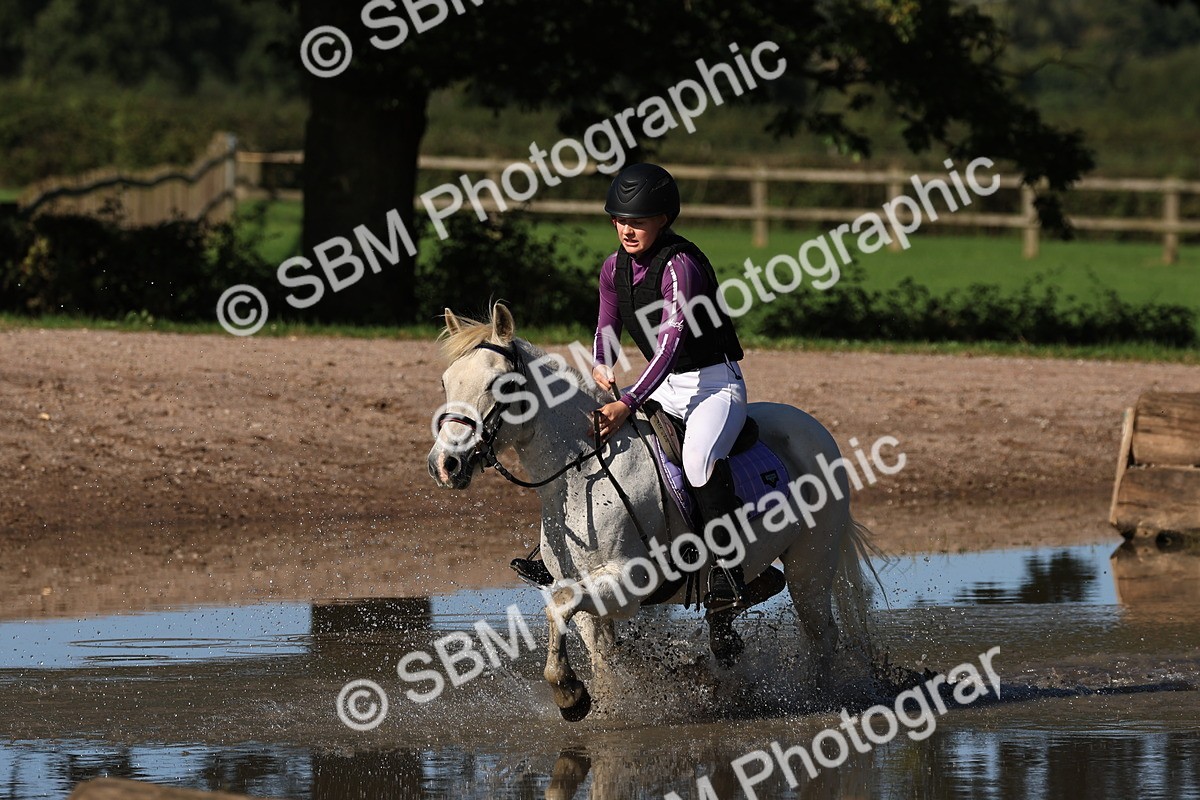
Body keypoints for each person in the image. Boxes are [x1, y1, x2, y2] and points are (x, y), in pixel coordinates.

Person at [590, 162, 750, 610]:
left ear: (663, 219)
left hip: (714, 385)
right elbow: (606, 327)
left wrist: (627, 401)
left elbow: (669, 347)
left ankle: (730, 570)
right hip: (663, 384)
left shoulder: (681, 266)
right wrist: (602, 362)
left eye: (638, 221)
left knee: (698, 462)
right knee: (602, 442)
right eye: (620, 220)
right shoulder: (613, 267)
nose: (627, 230)